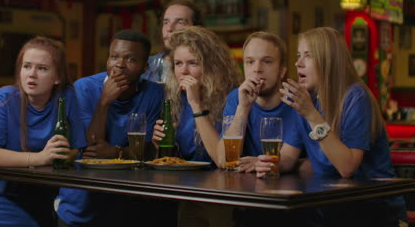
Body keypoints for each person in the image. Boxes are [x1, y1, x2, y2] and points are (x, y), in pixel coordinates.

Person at [256, 27, 407, 226]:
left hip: (373, 209)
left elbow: (347, 168)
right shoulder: (308, 100)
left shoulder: (355, 97)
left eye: (308, 56)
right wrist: (269, 162)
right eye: (298, 55)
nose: (298, 63)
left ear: (328, 61)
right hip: (331, 208)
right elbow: (288, 157)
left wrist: (311, 114)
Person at [0, 36, 87, 227]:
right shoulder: (4, 98)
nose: (31, 74)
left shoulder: (66, 97)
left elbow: (76, 150)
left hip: (41, 206)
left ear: (58, 77)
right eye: (26, 66)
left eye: (42, 68)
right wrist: (40, 158)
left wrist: (64, 154)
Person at [55, 29, 166, 227]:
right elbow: (90, 148)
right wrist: (104, 102)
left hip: (127, 204)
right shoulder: (84, 88)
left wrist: (114, 152)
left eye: (131, 59)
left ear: (144, 68)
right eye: (114, 57)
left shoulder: (154, 93)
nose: (119, 64)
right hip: (82, 203)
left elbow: (147, 150)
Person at [151, 26, 241, 227]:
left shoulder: (231, 98)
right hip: (188, 191)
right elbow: (181, 157)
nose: (183, 71)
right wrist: (160, 144)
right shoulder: (175, 98)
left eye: (193, 63)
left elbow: (220, 159)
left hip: (222, 195)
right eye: (178, 63)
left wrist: (196, 103)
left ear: (211, 65)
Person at [218, 31, 303, 172]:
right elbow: (223, 160)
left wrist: (262, 163)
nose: (257, 69)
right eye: (250, 62)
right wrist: (243, 108)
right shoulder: (236, 98)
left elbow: (289, 160)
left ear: (282, 71)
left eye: (267, 61)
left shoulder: (296, 101)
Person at [141, 0, 203, 83]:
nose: (169, 28)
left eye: (180, 22)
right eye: (166, 22)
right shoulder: (145, 66)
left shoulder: (208, 68)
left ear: (196, 28)